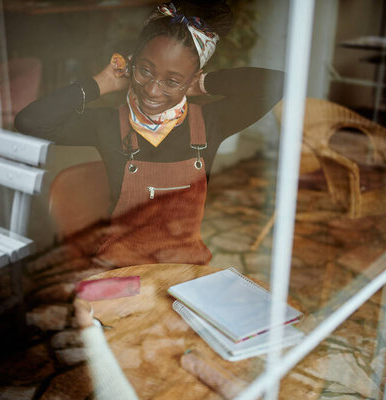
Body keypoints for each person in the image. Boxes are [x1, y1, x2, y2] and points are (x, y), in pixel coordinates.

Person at [15, 1, 284, 268]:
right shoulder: (108, 125)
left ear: (190, 80)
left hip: (183, 269)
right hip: (119, 269)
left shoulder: (210, 124)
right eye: (145, 70)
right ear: (132, 64)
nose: (153, 91)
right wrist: (100, 83)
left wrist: (203, 83)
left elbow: (277, 84)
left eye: (172, 80)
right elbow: (30, 122)